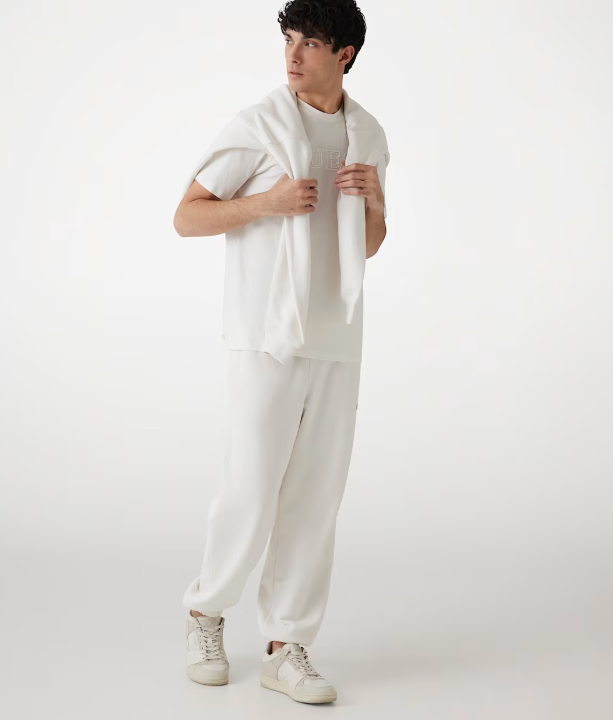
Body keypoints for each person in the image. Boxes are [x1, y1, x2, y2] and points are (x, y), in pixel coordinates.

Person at [173, 0, 389, 705]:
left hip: (336, 336)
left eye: (310, 43)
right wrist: (266, 203)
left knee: (316, 496)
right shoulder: (256, 125)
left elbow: (367, 246)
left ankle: (285, 646)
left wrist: (374, 205)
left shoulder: (367, 134)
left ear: (344, 54)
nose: (292, 55)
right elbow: (187, 216)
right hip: (265, 334)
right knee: (250, 483)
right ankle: (205, 614)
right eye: (289, 40)